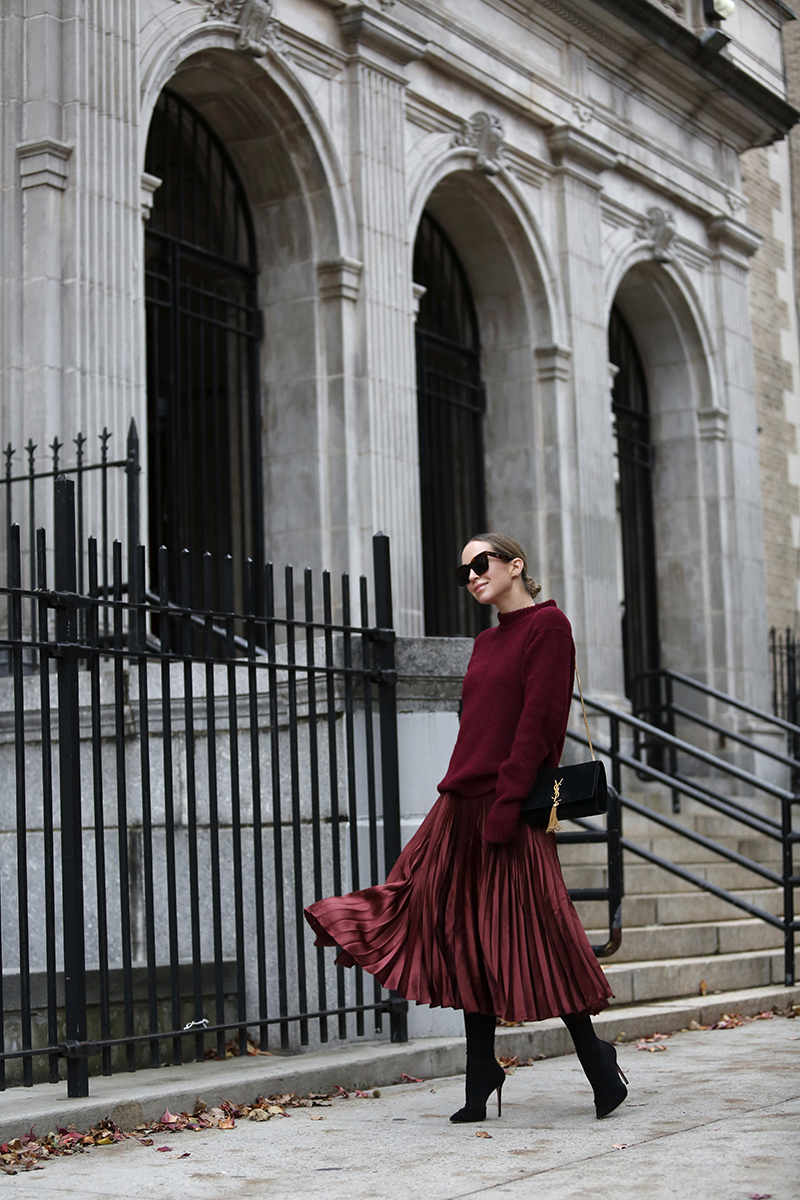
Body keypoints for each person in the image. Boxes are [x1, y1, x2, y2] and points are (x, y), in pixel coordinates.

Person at [304, 533, 627, 1123]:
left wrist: (506, 803)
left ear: (515, 564)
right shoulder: (485, 641)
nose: (473, 576)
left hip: (509, 805)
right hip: (460, 805)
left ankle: (596, 1061)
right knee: (457, 930)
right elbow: (477, 726)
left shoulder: (547, 629)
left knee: (539, 930)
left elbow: (541, 721)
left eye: (481, 564)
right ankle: (481, 1072)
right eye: (464, 573)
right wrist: (461, 798)